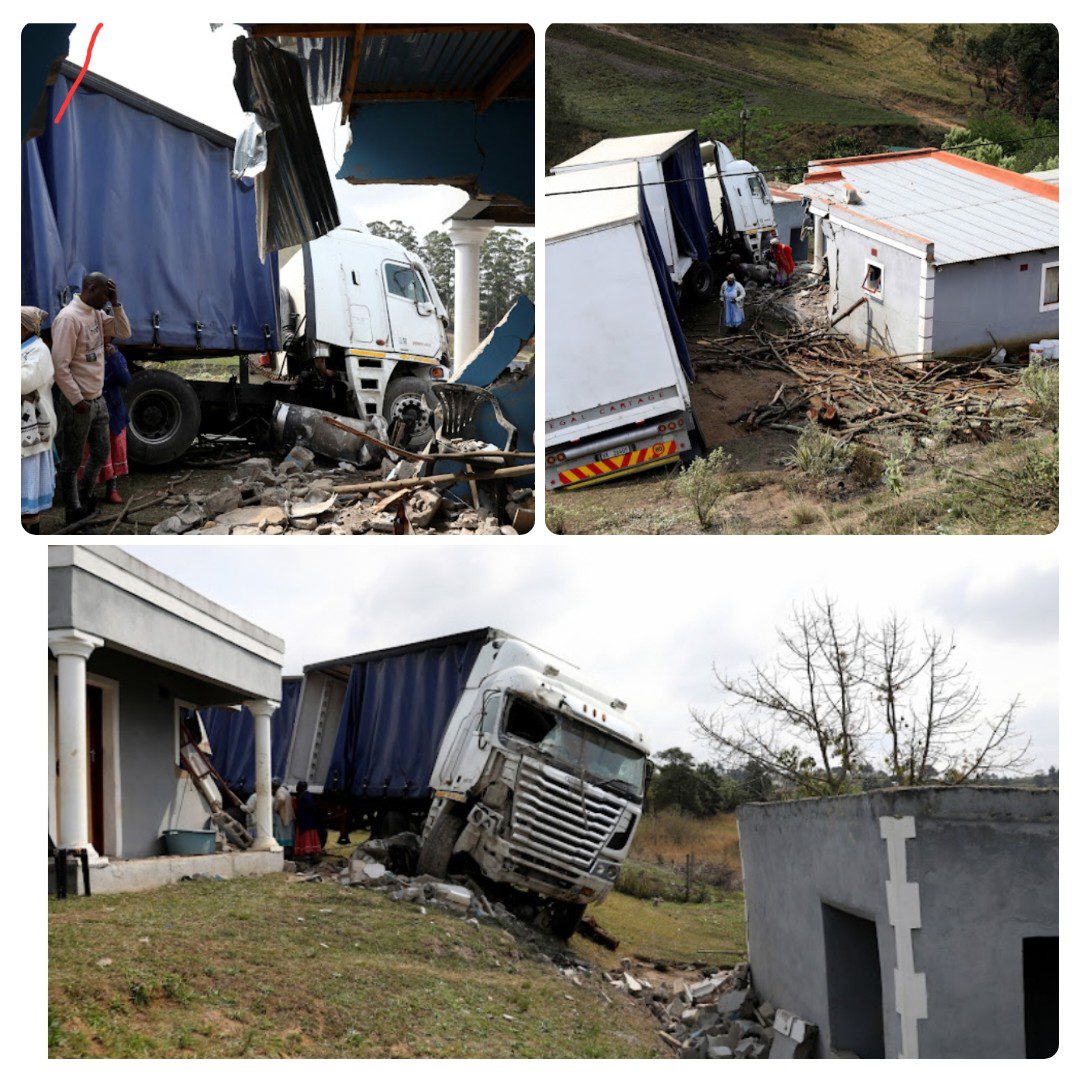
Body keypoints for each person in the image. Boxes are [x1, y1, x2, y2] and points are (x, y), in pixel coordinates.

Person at [50, 272, 132, 525]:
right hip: (80, 402)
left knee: (100, 451)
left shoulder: (97, 313)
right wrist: (77, 400)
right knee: (72, 458)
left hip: (98, 400)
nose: (107, 300)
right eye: (105, 294)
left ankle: (85, 498)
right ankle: (72, 509)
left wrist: (116, 304)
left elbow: (124, 332)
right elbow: (59, 366)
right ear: (91, 288)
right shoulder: (68, 318)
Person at [77, 338, 132, 505]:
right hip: (91, 408)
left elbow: (126, 380)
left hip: (113, 412)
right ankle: (87, 491)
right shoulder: (84, 352)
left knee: (113, 448)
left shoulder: (116, 355)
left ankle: (112, 489)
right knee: (91, 451)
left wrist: (114, 357)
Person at [21, 306, 58, 532]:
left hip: (30, 434)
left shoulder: (39, 350)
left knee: (27, 489)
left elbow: (25, 380)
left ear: (24, 328)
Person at [292, 780, 323, 864]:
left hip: (306, 823)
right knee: (309, 840)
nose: (297, 788)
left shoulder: (305, 796)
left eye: (298, 787)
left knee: (307, 840)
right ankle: (307, 855)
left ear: (301, 787)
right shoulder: (305, 795)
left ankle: (308, 855)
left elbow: (311, 808)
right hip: (306, 822)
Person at [273, 778, 295, 856]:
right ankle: (287, 854)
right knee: (288, 836)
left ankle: (284, 855)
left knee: (282, 836)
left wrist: (276, 808)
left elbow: (281, 799)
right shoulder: (285, 790)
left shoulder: (280, 791)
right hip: (288, 817)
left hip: (283, 817)